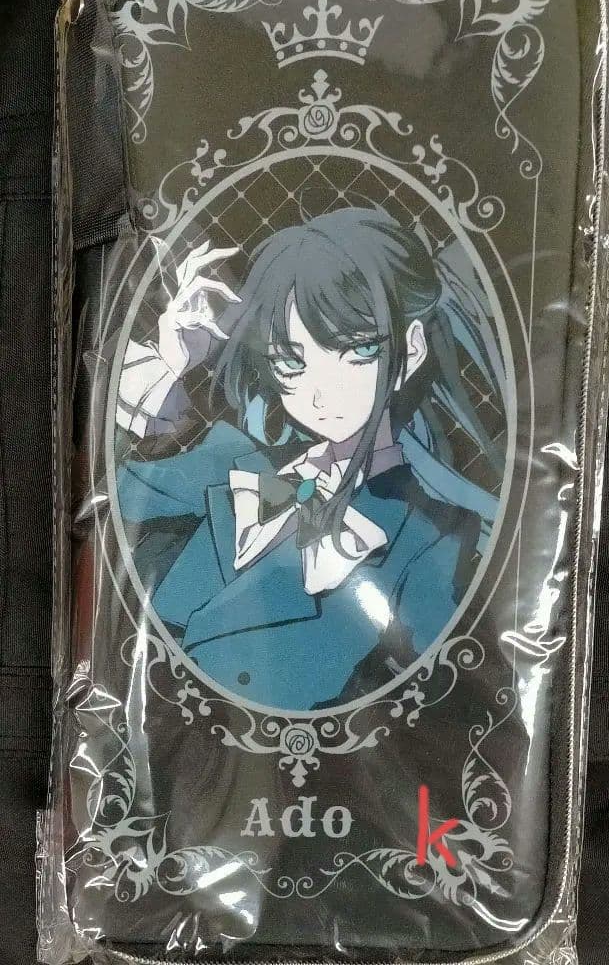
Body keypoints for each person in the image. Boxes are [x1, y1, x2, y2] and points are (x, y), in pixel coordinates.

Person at [115, 206, 505, 711]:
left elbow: (451, 708)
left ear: (410, 350)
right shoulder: (239, 461)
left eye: (356, 352)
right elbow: (114, 501)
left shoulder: (431, 539)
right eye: (290, 362)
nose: (320, 394)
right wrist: (171, 365)